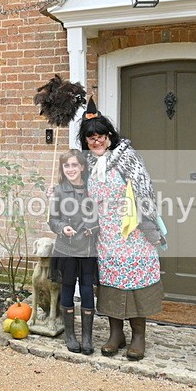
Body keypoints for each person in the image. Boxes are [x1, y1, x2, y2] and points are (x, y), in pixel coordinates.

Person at [80, 111, 164, 361]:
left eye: (100, 136)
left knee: (136, 281)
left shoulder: (128, 159)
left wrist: (150, 226)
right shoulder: (87, 164)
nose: (96, 141)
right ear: (85, 141)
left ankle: (138, 336)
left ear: (109, 136)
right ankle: (116, 334)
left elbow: (145, 191)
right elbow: (77, 192)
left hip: (133, 232)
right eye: (91, 138)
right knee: (111, 282)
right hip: (106, 234)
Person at [48, 149, 98, 355]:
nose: (70, 169)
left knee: (87, 291)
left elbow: (99, 216)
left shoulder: (92, 189)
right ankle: (70, 335)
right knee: (67, 289)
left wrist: (90, 227)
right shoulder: (58, 191)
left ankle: (87, 337)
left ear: (82, 167)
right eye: (66, 165)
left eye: (74, 165)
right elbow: (53, 219)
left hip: (86, 249)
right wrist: (61, 228)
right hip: (66, 249)